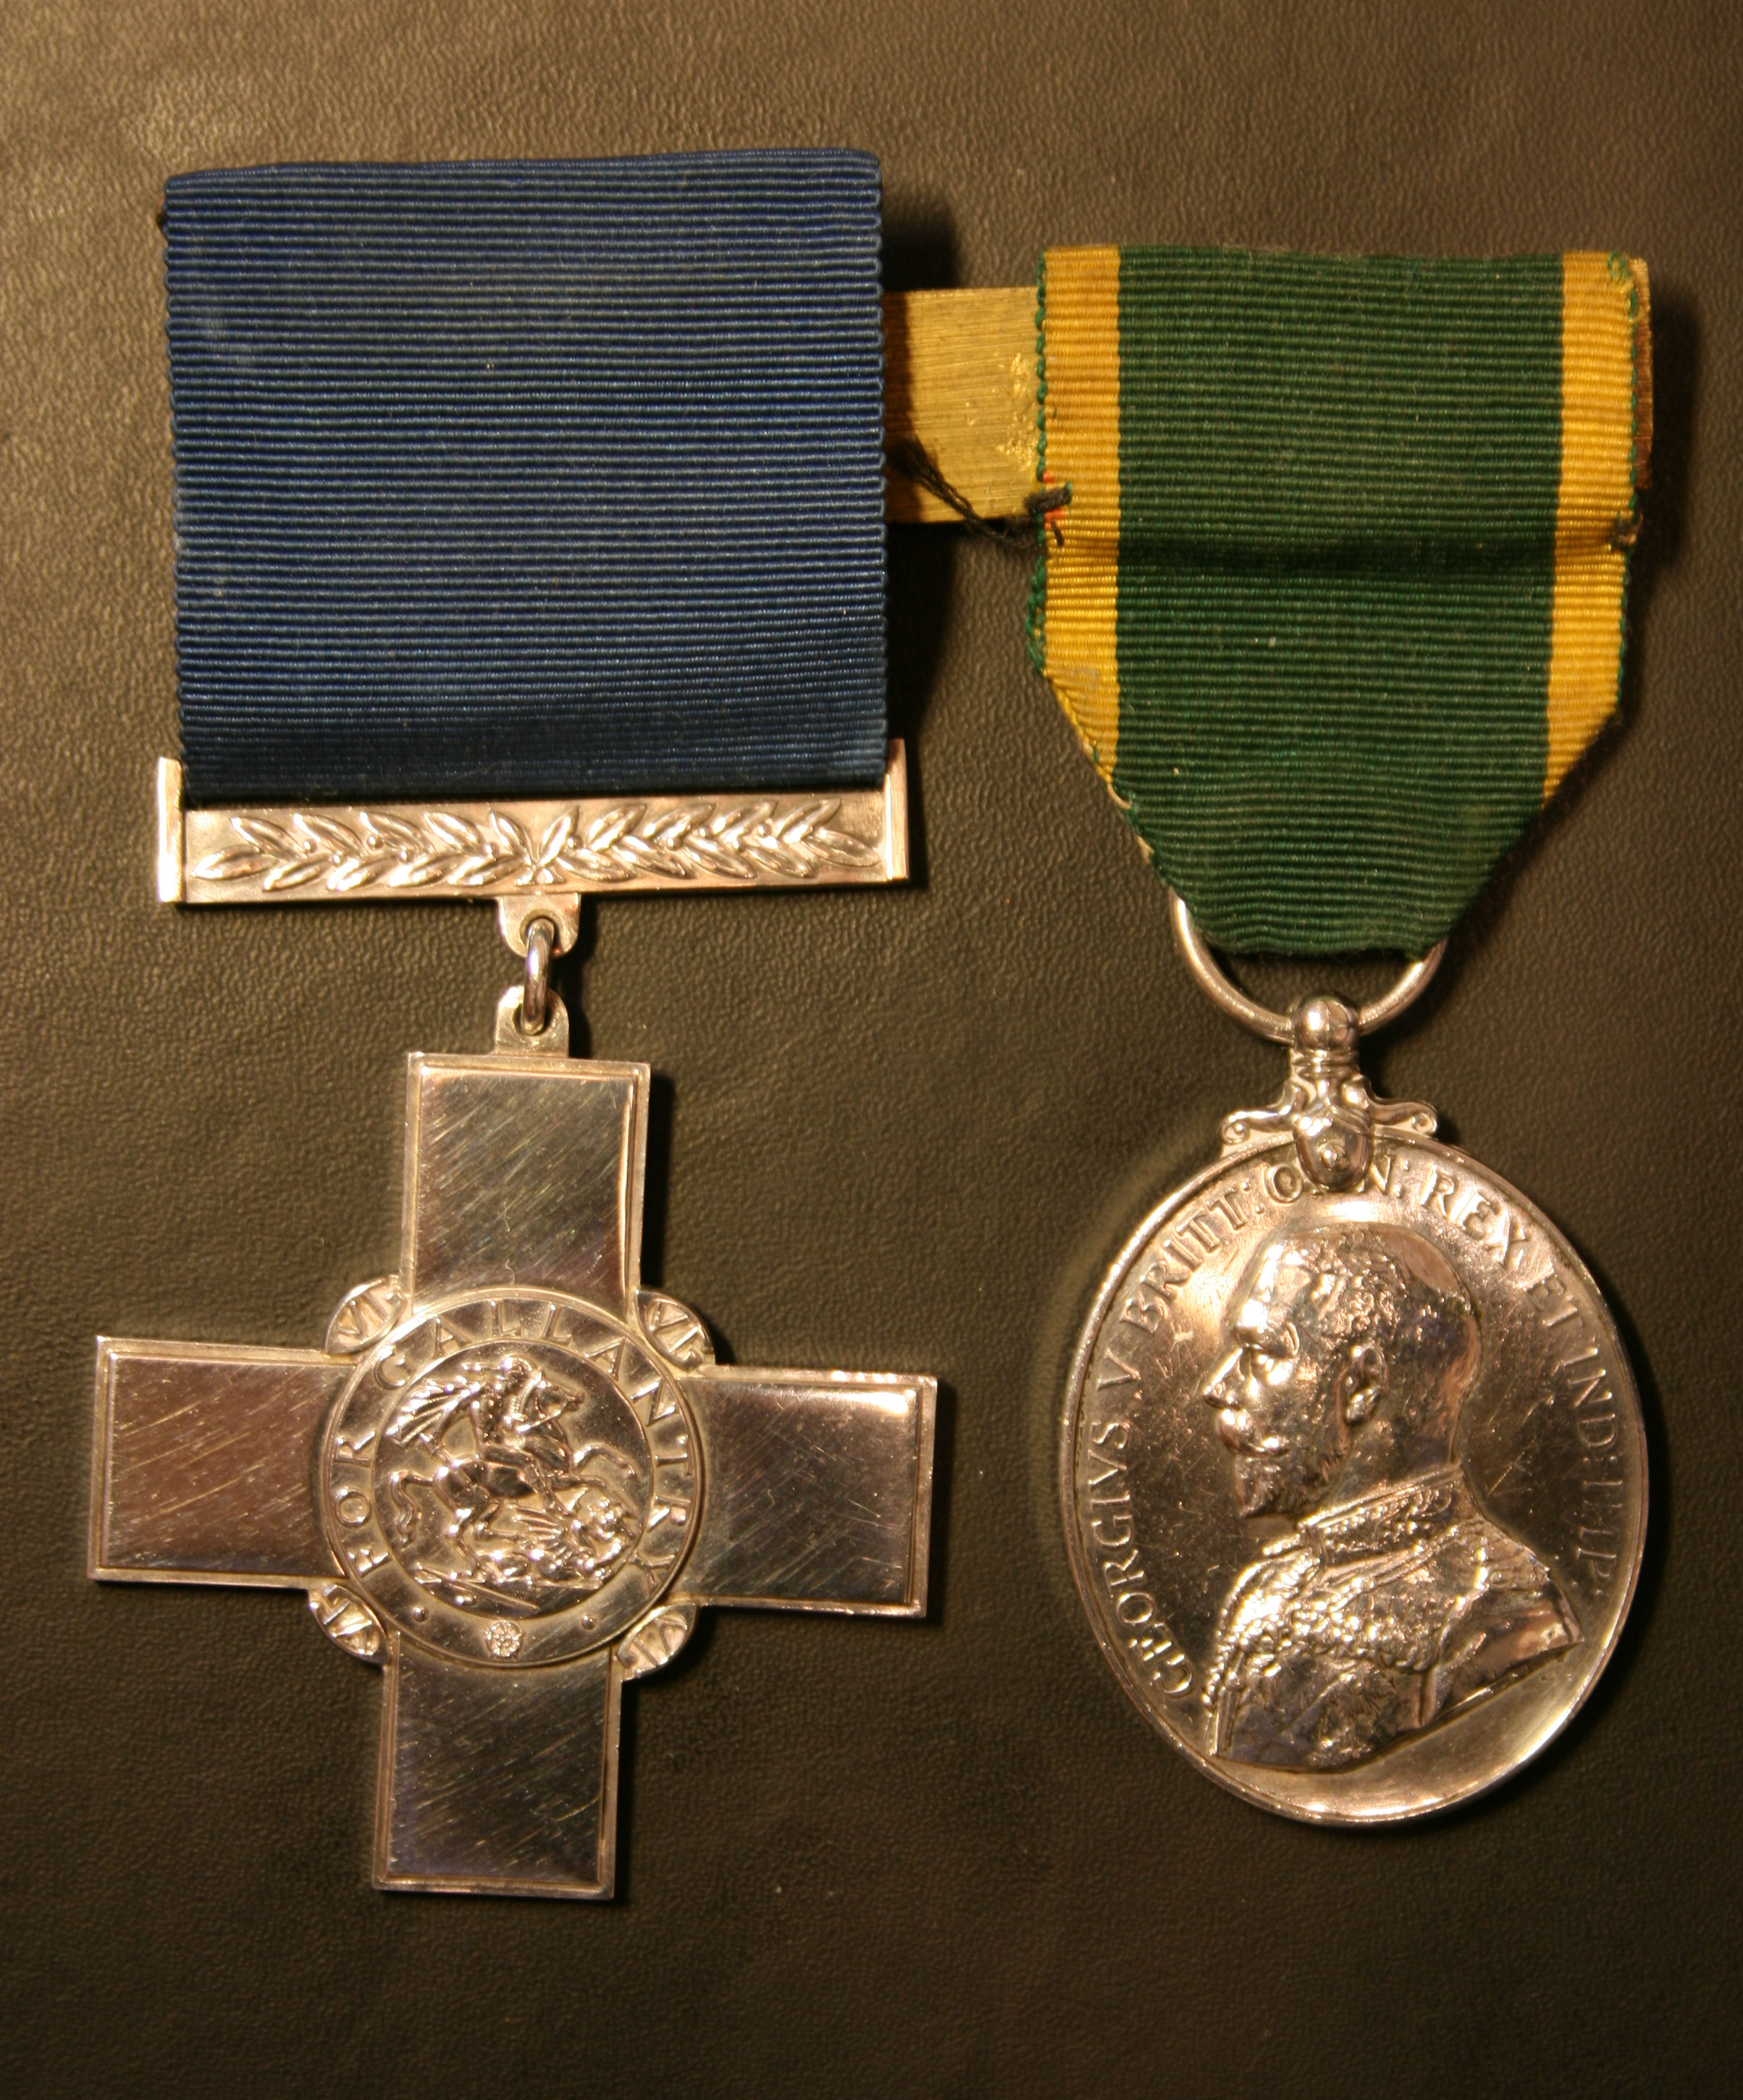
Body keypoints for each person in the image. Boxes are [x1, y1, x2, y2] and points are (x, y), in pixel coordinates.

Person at [1198, 1225, 1578, 1770]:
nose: (1218, 1387)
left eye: (1260, 1354)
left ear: (1362, 1386)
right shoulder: (1266, 1588)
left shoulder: (1500, 1615)